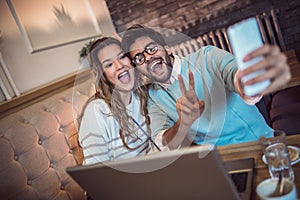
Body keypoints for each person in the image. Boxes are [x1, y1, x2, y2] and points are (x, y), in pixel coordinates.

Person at [121, 25, 291, 149]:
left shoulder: (207, 57)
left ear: (166, 48)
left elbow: (235, 75)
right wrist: (183, 123)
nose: (148, 58)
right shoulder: (152, 95)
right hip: (218, 162)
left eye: (151, 49)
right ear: (138, 68)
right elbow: (164, 140)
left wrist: (253, 80)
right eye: (139, 58)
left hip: (259, 145)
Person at [78, 37, 160, 165]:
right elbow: (97, 175)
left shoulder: (143, 95)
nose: (120, 66)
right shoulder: (97, 112)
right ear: (103, 75)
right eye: (109, 64)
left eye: (122, 57)